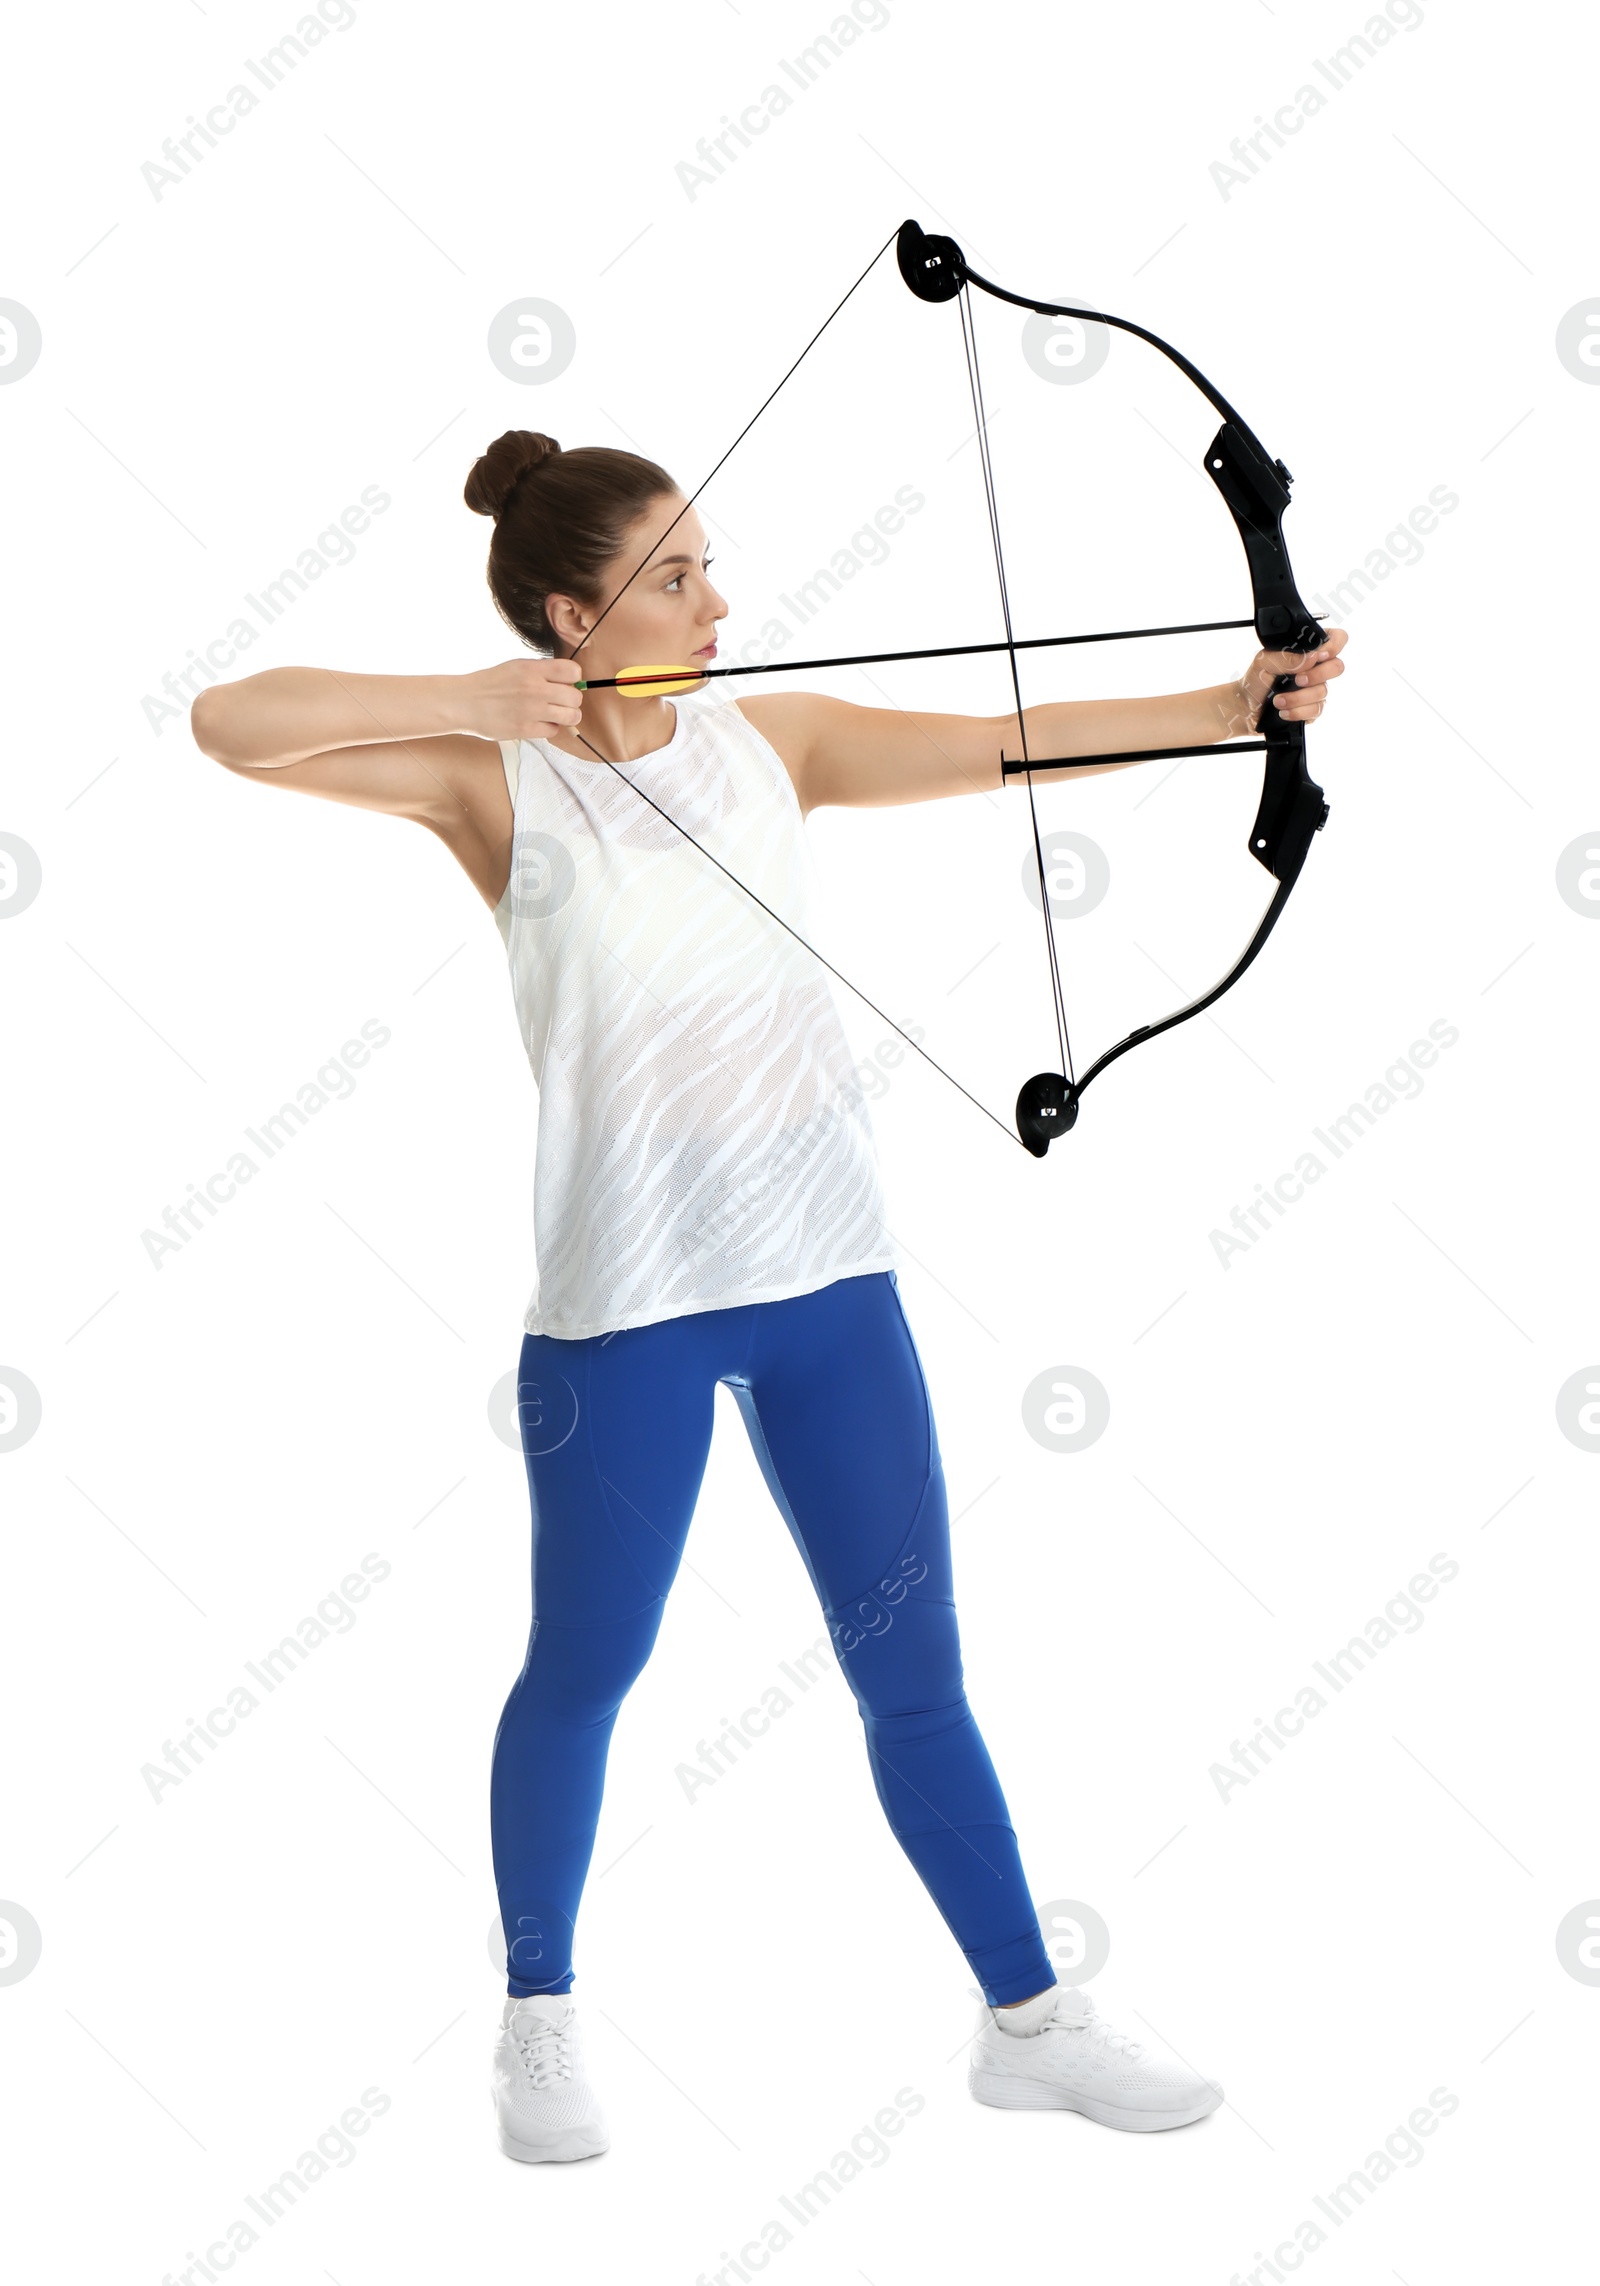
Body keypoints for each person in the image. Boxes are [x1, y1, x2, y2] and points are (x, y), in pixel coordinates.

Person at [190, 429, 1345, 2164]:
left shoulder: (768, 745)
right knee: (584, 1670)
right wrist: (476, 700)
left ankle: (1028, 2018)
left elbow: (1013, 742)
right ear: (574, 614)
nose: (719, 603)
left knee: (915, 1673)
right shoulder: (486, 779)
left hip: (826, 1288)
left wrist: (1240, 704)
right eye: (674, 578)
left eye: (711, 563)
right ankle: (539, 2020)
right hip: (626, 1311)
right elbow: (227, 721)